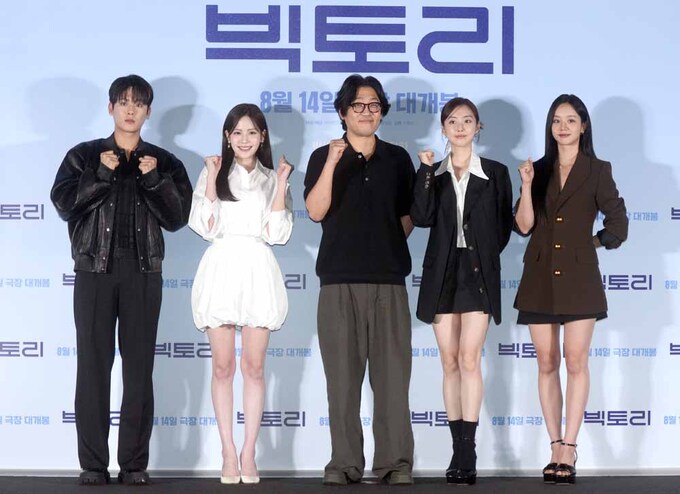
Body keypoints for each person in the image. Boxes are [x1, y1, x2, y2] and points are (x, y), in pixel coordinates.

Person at [50, 74, 192, 485]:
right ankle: (93, 464)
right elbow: (64, 203)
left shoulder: (164, 161)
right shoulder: (84, 155)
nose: (131, 110)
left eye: (139, 103)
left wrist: (154, 180)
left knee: (139, 369)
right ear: (111, 107)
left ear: (149, 111)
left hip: (143, 273)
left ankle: (133, 463)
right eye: (124, 102)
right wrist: (99, 173)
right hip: (94, 271)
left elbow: (177, 218)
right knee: (92, 367)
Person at [304, 74, 416, 486]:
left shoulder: (397, 159)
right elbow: (315, 211)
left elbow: (407, 217)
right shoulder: (323, 156)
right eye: (357, 105)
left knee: (392, 382)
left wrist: (382, 240)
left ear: (382, 111)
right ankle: (344, 463)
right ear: (342, 112)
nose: (366, 112)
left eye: (373, 105)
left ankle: (395, 463)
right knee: (342, 383)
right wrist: (334, 163)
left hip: (388, 281)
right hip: (338, 282)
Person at [514, 94, 628, 485]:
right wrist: (526, 186)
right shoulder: (537, 169)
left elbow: (618, 225)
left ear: (583, 126)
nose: (563, 127)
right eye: (556, 120)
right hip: (539, 275)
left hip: (580, 278)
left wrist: (588, 244)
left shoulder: (598, 170)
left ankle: (570, 448)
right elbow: (523, 226)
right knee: (546, 362)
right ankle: (553, 446)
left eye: (571, 120)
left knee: (576, 361)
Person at [188, 103, 293, 485]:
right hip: (221, 267)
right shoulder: (213, 172)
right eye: (237, 132)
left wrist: (281, 184)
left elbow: (277, 234)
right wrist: (212, 178)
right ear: (227, 137)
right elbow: (205, 226)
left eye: (251, 132)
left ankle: (249, 452)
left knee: (253, 367)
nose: (244, 139)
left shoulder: (272, 177)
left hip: (257, 269)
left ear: (262, 137)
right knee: (222, 367)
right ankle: (227, 452)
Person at [411, 97, 513, 485]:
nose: (459, 127)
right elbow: (421, 217)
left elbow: (502, 229)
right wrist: (425, 171)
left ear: (478, 127)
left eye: (467, 120)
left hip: (477, 272)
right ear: (443, 128)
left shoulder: (496, 172)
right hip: (441, 273)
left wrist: (481, 254)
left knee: (470, 358)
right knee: (449, 360)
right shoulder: (432, 173)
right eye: (452, 121)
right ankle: (457, 446)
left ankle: (467, 449)